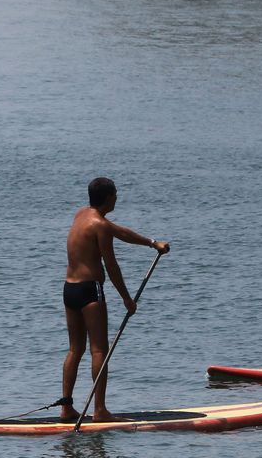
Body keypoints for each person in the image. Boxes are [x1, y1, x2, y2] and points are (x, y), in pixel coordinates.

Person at [60, 177, 171, 423]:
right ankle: (100, 411)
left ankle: (66, 407)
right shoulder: (100, 225)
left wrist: (152, 243)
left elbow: (118, 231)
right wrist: (127, 300)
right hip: (90, 291)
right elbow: (111, 266)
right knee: (99, 349)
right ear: (109, 198)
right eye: (116, 194)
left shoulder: (82, 215)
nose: (118, 198)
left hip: (69, 289)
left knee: (74, 349)